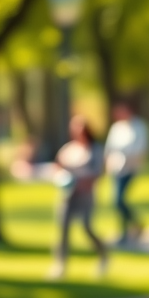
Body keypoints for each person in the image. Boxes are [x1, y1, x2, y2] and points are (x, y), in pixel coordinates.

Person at [50, 115, 107, 279]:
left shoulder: (94, 149)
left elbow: (98, 172)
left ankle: (103, 255)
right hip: (67, 195)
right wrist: (62, 178)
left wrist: (82, 181)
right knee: (63, 230)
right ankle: (60, 265)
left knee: (86, 227)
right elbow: (57, 167)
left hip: (85, 195)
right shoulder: (68, 149)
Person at [104, 101, 149, 245]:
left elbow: (141, 148)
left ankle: (132, 225)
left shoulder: (139, 127)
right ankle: (125, 230)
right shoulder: (117, 128)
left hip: (130, 168)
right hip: (116, 168)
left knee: (119, 199)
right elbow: (109, 148)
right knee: (117, 200)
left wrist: (127, 156)